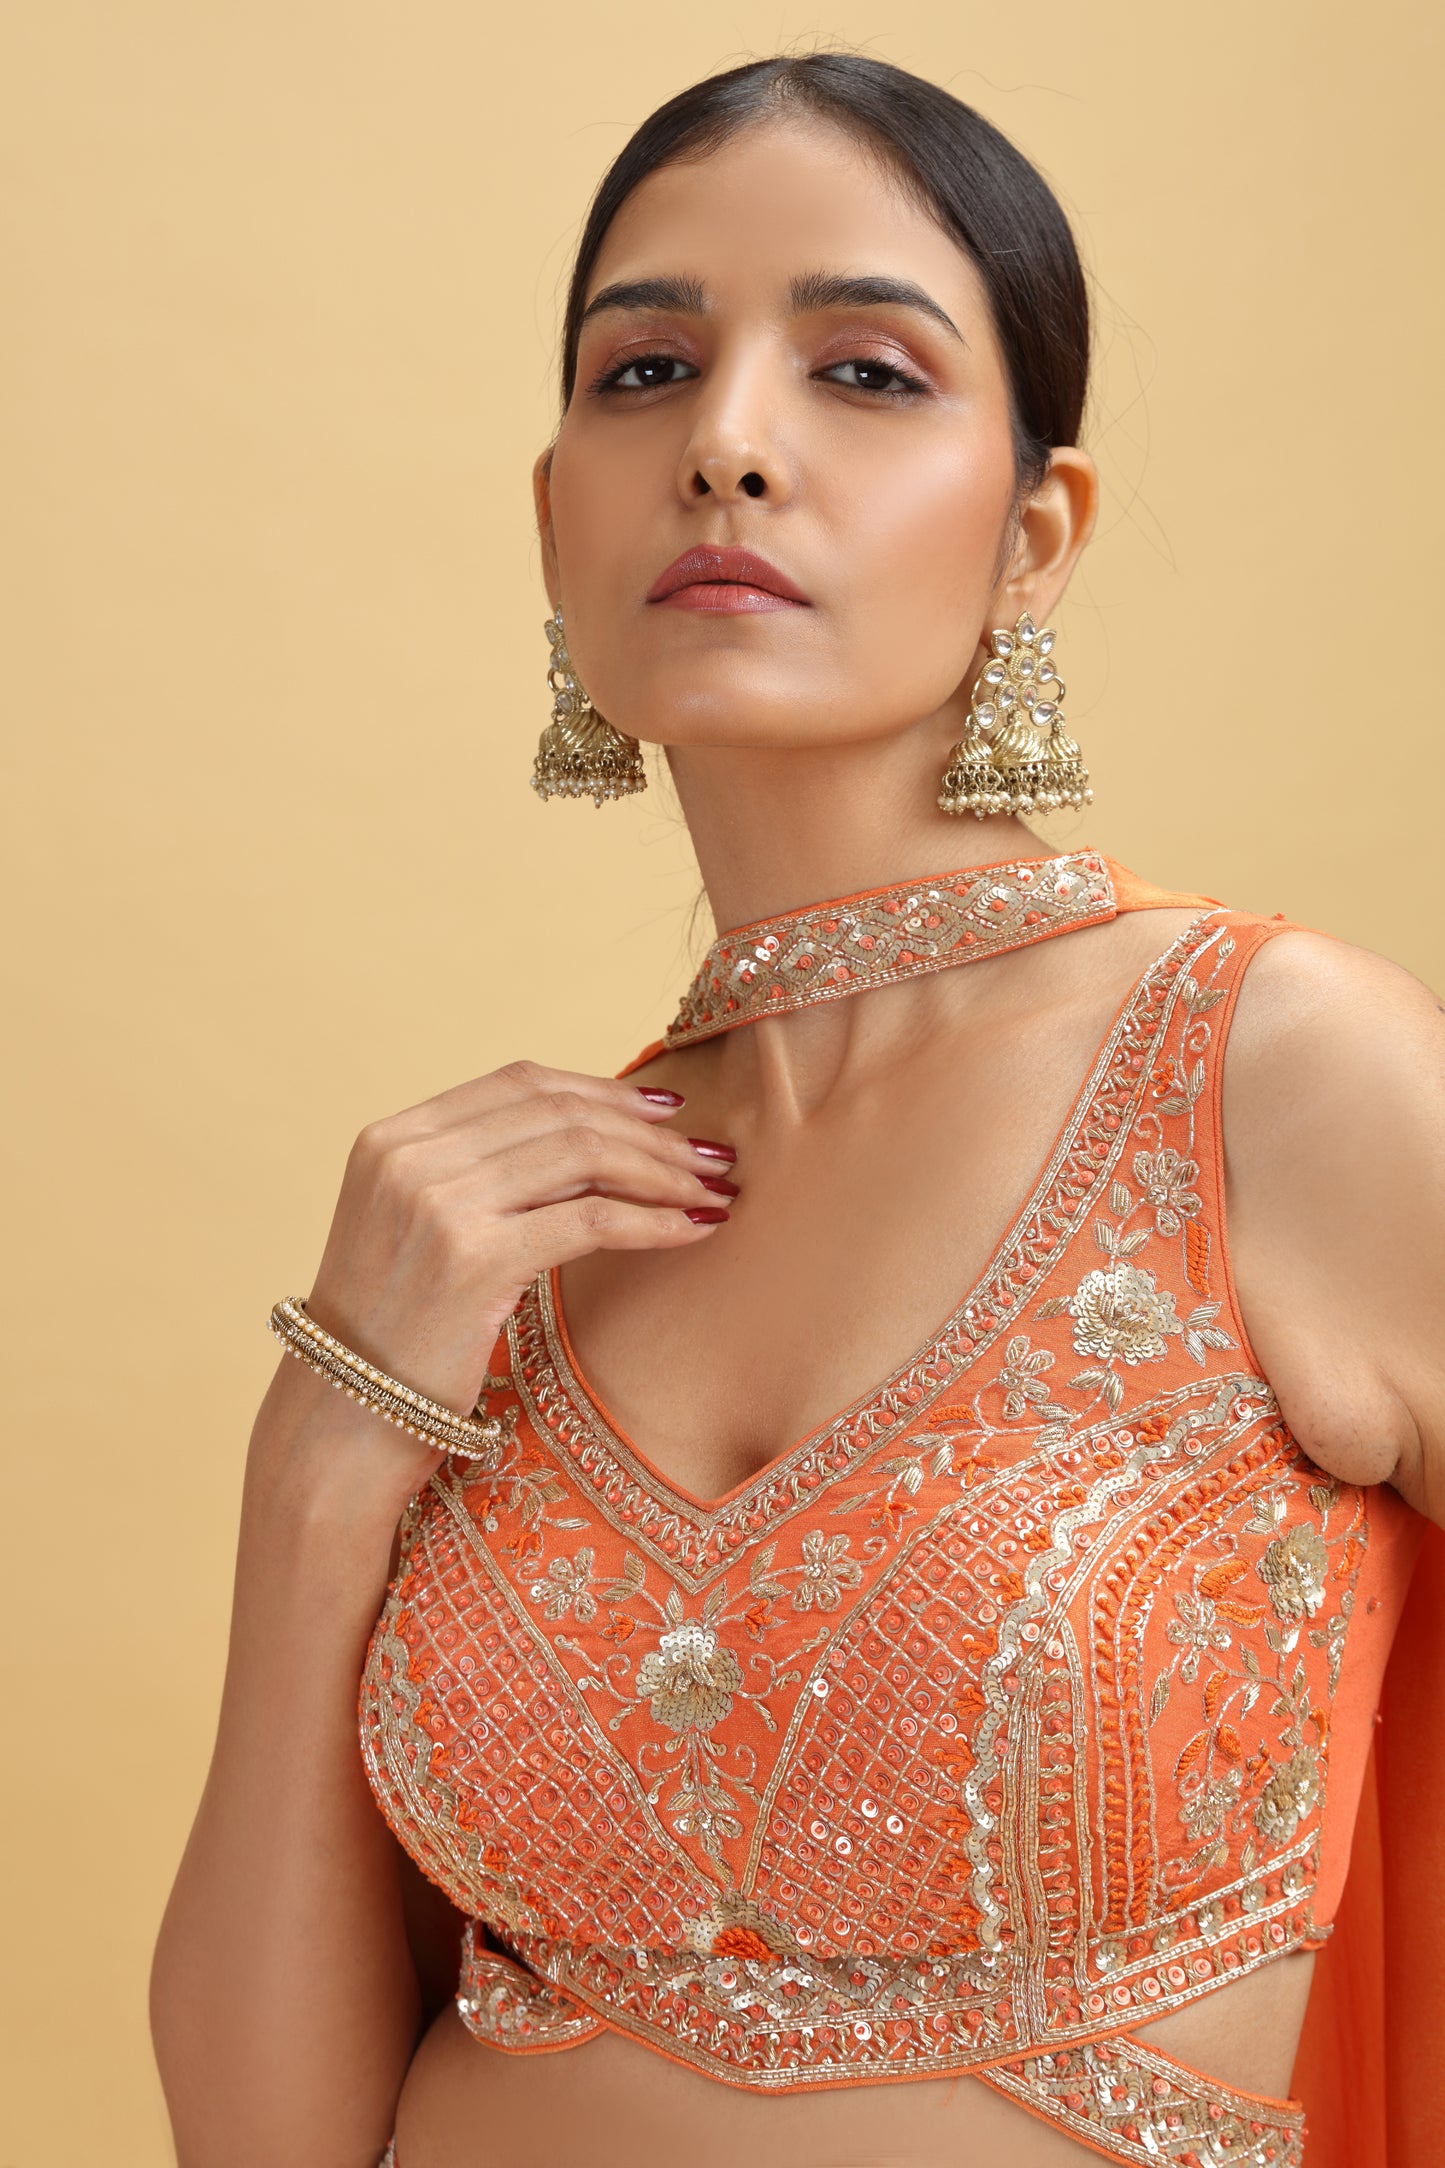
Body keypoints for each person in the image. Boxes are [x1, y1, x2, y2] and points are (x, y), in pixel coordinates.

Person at [149, 50, 1445, 2168]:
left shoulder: (1271, 1074)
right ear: (557, 516)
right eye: (645, 369)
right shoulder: (499, 1247)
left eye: (863, 370)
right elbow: (267, 2143)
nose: (729, 447)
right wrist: (328, 1446)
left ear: (1038, 533)